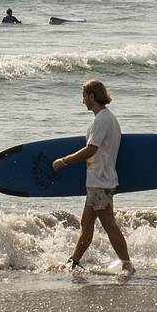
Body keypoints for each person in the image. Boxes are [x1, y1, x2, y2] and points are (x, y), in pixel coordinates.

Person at [51, 79, 134, 274]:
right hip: (98, 180)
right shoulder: (106, 118)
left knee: (109, 225)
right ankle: (74, 262)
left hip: (101, 181)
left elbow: (91, 149)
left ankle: (127, 264)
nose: (83, 102)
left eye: (84, 97)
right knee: (86, 223)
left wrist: (64, 161)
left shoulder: (102, 120)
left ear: (92, 96)